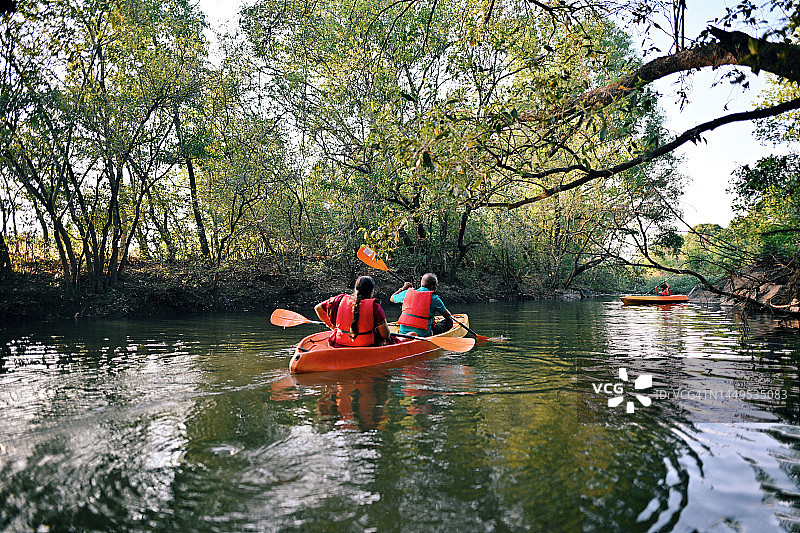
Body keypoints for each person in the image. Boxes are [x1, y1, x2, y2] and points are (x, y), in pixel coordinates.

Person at [315, 276, 391, 347]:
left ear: (355, 289)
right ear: (372, 291)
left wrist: (331, 325)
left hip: (340, 343)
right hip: (367, 345)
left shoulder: (339, 299)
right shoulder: (375, 306)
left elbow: (318, 308)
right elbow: (385, 335)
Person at [391, 273, 454, 337]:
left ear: (421, 283)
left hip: (403, 333)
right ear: (433, 287)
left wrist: (403, 288)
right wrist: (448, 314)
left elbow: (392, 298)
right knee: (449, 322)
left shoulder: (407, 293)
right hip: (423, 335)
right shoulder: (434, 298)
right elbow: (447, 315)